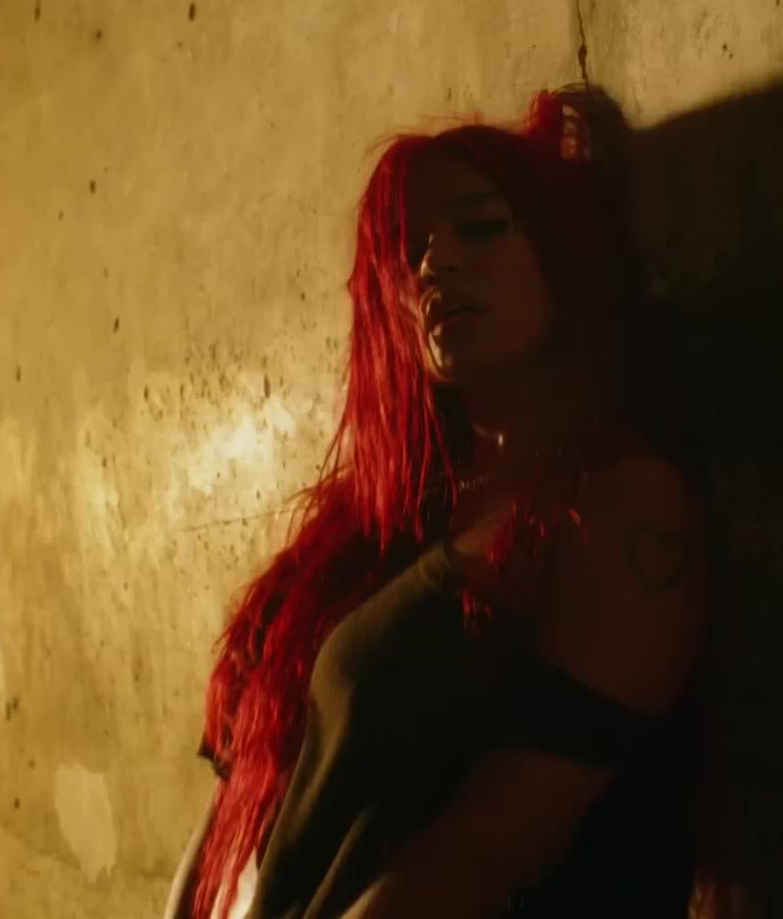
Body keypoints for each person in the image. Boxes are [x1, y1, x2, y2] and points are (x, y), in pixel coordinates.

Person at [160, 87, 729, 919]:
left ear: (562, 253)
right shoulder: (371, 529)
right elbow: (232, 814)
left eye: (482, 227)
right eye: (410, 251)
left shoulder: (621, 505)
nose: (436, 266)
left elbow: (483, 853)